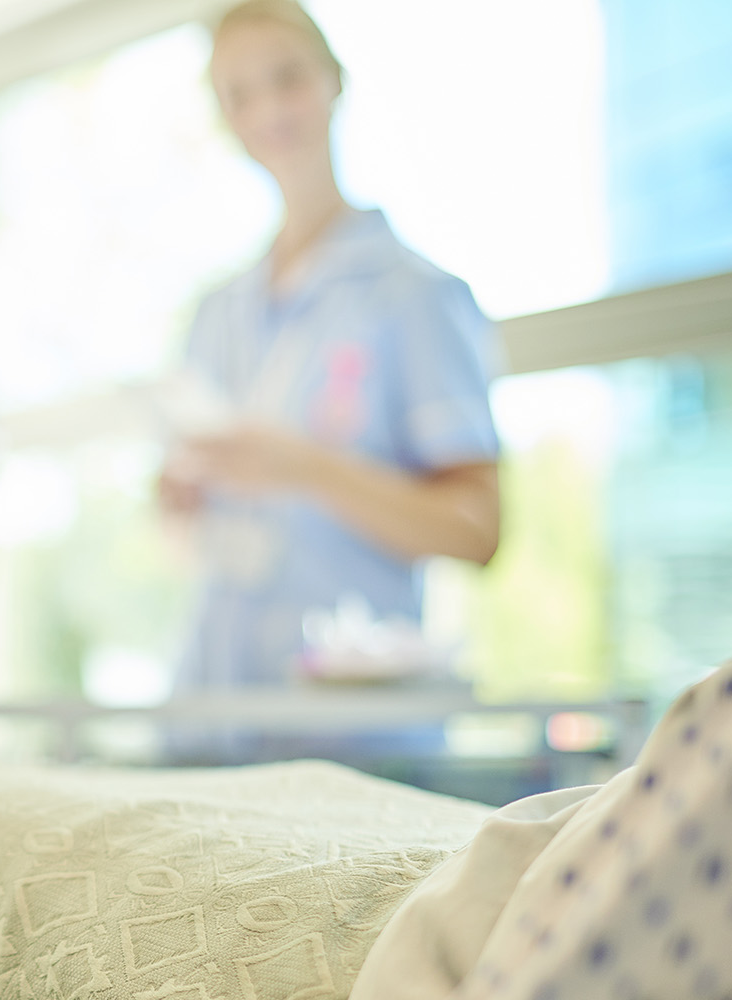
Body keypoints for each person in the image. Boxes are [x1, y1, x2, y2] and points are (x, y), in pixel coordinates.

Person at [161, 0, 503, 689]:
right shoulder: (216, 314)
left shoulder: (414, 296)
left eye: (287, 78)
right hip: (214, 701)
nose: (268, 110)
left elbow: (477, 530)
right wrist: (177, 493)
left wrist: (308, 470)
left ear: (334, 79)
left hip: (349, 714)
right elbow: (183, 520)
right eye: (239, 94)